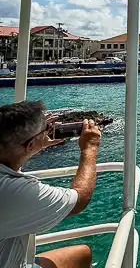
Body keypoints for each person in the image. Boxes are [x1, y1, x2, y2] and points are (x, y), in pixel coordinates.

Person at [0, 101, 101, 268]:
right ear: (30, 144)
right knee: (83, 253)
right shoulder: (13, 192)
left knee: (81, 254)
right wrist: (89, 149)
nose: (48, 129)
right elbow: (79, 199)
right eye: (44, 128)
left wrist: (35, 143)